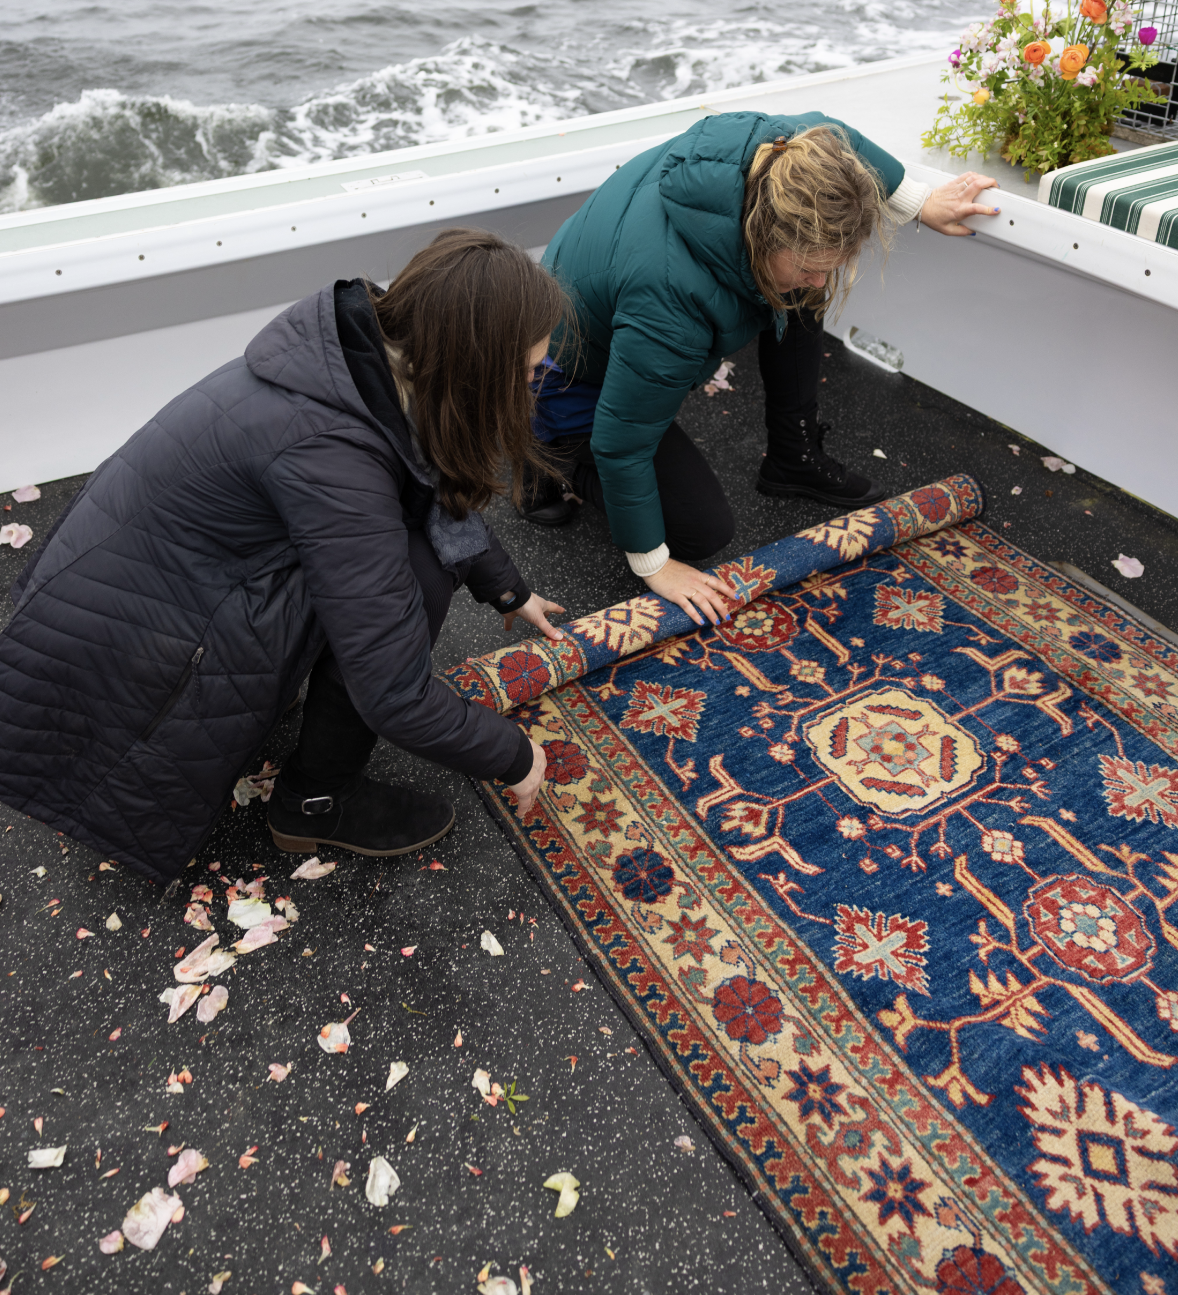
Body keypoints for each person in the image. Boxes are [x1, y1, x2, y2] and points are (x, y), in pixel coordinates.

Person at [0, 230, 568, 885]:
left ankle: (302, 751)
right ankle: (317, 805)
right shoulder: (329, 451)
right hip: (132, 664)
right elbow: (393, 693)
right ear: (471, 369)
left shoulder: (364, 356)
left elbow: (424, 483)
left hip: (150, 587)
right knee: (418, 578)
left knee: (415, 558)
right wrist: (515, 754)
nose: (533, 389)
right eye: (528, 373)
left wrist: (505, 587)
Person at [525, 110, 997, 629]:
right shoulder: (670, 301)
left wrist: (918, 201)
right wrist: (654, 567)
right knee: (700, 532)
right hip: (569, 369)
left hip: (615, 287)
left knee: (801, 294)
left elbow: (836, 134)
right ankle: (545, 451)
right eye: (807, 264)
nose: (821, 280)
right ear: (759, 234)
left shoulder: (773, 152)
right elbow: (623, 440)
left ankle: (792, 457)